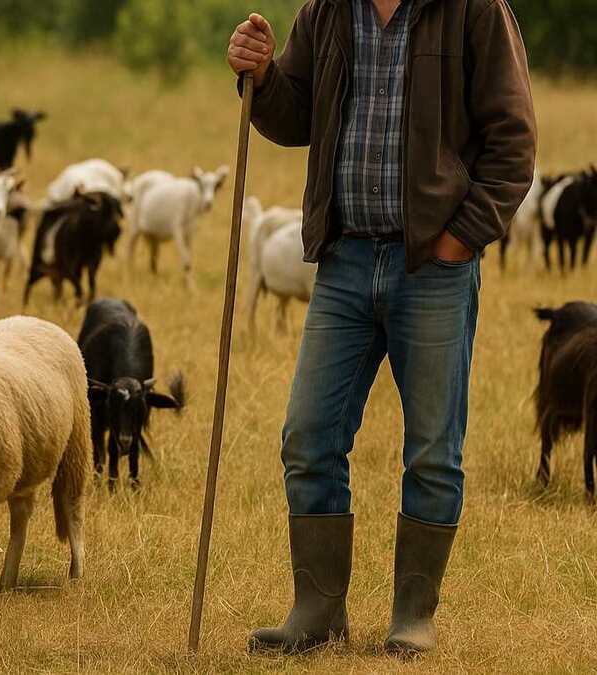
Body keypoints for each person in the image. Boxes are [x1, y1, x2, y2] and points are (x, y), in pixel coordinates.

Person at [226, 0, 535, 656]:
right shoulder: (328, 11)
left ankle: (412, 616)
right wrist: (260, 77)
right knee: (308, 436)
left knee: (431, 449)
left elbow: (514, 138)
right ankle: (317, 611)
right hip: (343, 262)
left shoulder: (474, 10)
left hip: (433, 265)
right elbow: (293, 115)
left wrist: (460, 238)